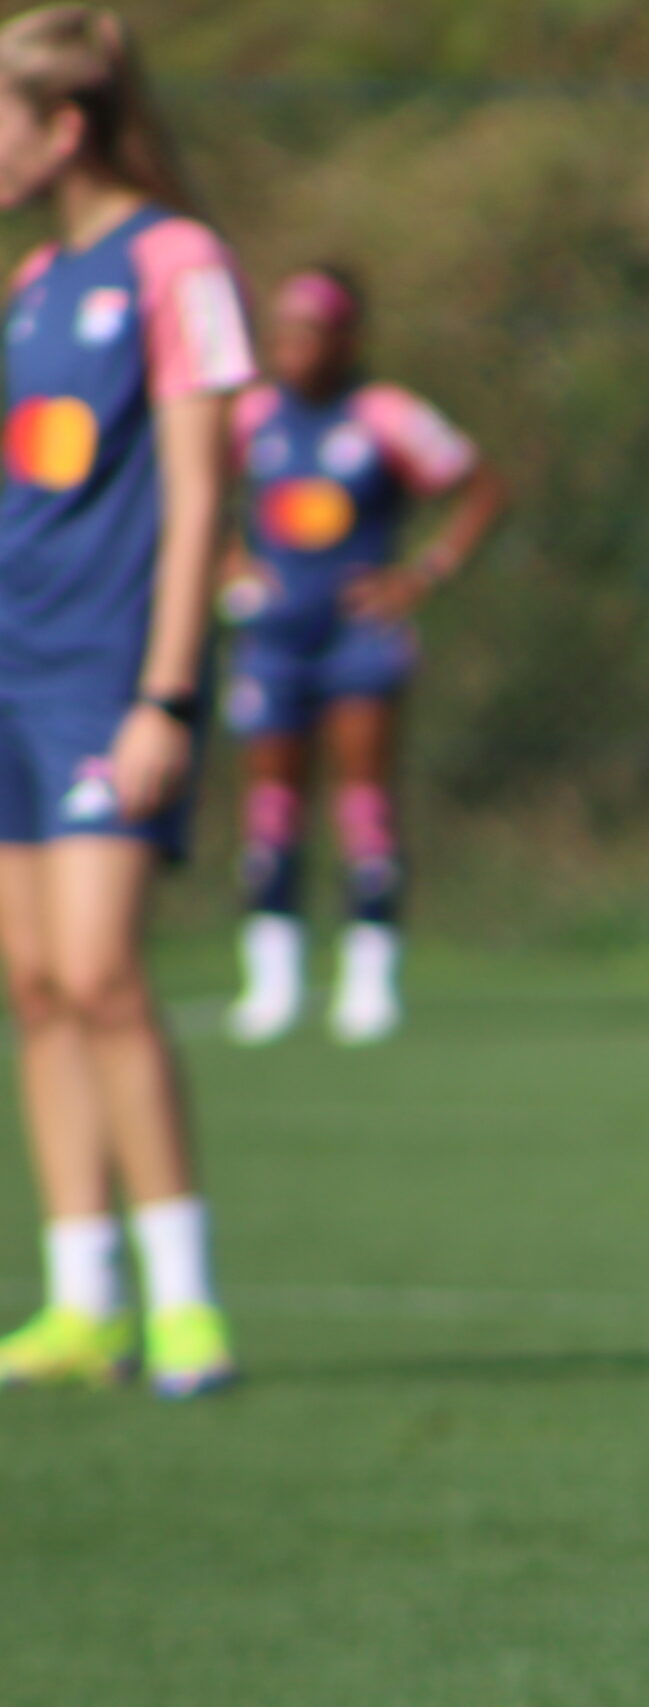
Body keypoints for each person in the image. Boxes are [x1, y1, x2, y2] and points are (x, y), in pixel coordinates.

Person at [0, 4, 254, 1396]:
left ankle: (187, 1305)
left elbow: (203, 483)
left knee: (102, 972)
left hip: (111, 675)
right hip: (12, 667)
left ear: (64, 126)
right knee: (35, 982)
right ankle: (80, 1297)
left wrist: (167, 690)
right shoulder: (37, 277)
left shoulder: (177, 261)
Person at [218, 265, 507, 1045]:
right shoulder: (250, 418)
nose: (291, 346)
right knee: (272, 807)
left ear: (346, 338)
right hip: (272, 636)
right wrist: (227, 561)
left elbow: (479, 485)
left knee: (363, 802)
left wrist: (422, 574)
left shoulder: (384, 415)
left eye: (309, 331)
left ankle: (368, 976)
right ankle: (271, 978)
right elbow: (190, 488)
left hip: (357, 636)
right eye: (281, 329)